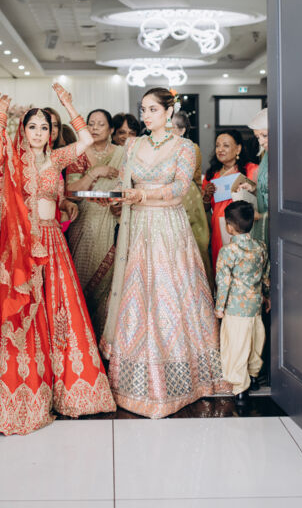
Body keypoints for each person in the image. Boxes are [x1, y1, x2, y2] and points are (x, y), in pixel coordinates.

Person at [0, 86, 115, 434]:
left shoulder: (57, 158)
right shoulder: (14, 160)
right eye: (32, 127)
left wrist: (68, 104)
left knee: (58, 312)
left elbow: (85, 140)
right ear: (23, 130)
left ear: (51, 132)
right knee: (24, 317)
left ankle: (68, 392)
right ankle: (24, 394)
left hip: (52, 243)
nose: (38, 133)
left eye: (44, 127)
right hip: (20, 247)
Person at [101, 87, 229, 418]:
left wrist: (143, 196)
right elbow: (125, 183)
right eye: (143, 109)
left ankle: (185, 379)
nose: (146, 115)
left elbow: (179, 189)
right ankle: (135, 381)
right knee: (138, 295)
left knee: (171, 293)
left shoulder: (184, 147)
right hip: (138, 229)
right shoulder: (133, 145)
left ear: (169, 112)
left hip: (169, 229)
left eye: (153, 109)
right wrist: (117, 198)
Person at [66, 109, 124, 338]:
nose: (95, 128)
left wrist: (121, 205)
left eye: (101, 124)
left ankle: (106, 339)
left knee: (111, 286)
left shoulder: (122, 153)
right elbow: (70, 192)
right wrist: (96, 172)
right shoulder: (78, 153)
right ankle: (83, 339)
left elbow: (130, 186)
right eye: (91, 123)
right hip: (85, 225)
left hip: (114, 222)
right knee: (82, 283)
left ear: (111, 129)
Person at [214, 201, 270, 402]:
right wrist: (266, 296)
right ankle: (253, 376)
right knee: (255, 341)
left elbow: (223, 282)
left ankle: (240, 389)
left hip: (235, 308)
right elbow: (265, 275)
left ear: (229, 227)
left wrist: (219, 307)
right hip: (255, 306)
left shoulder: (228, 252)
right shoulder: (261, 247)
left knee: (237, 346)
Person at [202, 130, 257, 274]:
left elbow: (261, 199)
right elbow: (206, 208)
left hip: (243, 228)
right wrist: (207, 196)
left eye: (225, 145)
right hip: (219, 228)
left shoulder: (251, 170)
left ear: (238, 149)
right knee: (222, 270)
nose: (220, 149)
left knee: (242, 271)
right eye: (217, 145)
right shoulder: (211, 174)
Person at [172, 111, 213, 292]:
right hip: (173, 195)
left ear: (182, 131)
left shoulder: (190, 147)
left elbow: (182, 176)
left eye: (171, 128)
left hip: (188, 197)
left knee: (193, 242)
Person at [245, 108, 269, 248]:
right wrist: (253, 189)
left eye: (264, 135)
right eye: (258, 137)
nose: (261, 142)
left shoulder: (284, 157)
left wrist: (261, 216)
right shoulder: (266, 155)